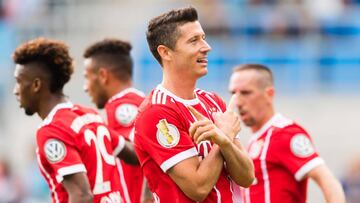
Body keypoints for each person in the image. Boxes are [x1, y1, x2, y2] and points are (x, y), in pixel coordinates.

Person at [134, 6, 254, 203]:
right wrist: (223, 138)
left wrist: (224, 140)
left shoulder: (213, 101)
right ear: (166, 52)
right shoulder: (157, 112)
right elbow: (198, 187)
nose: (206, 47)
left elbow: (247, 176)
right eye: (193, 41)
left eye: (203, 38)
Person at [12, 37, 137, 203]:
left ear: (36, 85)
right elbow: (137, 155)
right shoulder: (89, 116)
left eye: (19, 82)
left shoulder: (52, 129)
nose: (15, 91)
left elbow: (82, 195)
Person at [228, 64, 345, 203]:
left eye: (246, 93)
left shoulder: (286, 134)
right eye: (233, 94)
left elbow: (326, 179)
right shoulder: (256, 139)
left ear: (269, 94)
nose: (238, 102)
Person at [83, 38, 152, 203]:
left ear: (103, 75)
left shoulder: (121, 106)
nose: (85, 87)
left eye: (87, 77)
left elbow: (144, 153)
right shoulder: (141, 101)